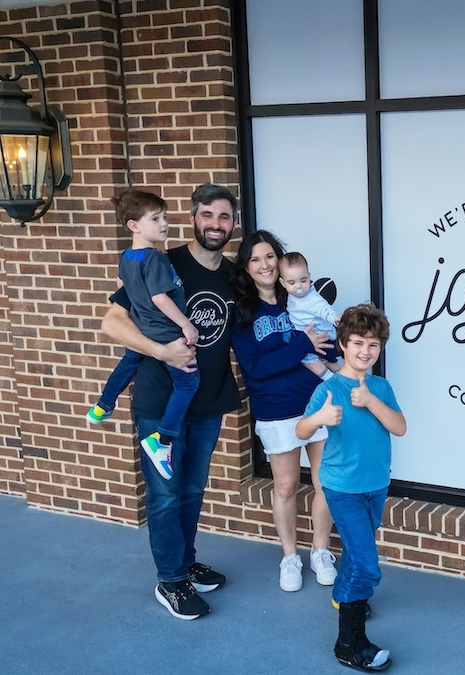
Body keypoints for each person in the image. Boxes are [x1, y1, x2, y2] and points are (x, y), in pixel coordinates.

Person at [100, 184, 321, 621]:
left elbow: (277, 309)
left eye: (224, 217)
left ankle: (184, 562)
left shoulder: (234, 278)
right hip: (161, 402)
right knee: (163, 495)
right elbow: (112, 321)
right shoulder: (164, 263)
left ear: (233, 224)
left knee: (191, 490)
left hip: (208, 400)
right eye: (207, 215)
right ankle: (171, 580)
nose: (215, 224)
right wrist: (162, 351)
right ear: (193, 218)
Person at [296, 303, 406, 672]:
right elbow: (301, 431)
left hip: (376, 485)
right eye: (357, 342)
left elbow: (400, 427)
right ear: (342, 344)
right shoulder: (330, 390)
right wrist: (320, 418)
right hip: (342, 488)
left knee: (358, 557)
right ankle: (349, 643)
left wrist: (371, 401)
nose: (365, 351)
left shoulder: (380, 387)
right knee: (366, 564)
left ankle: (345, 596)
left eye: (372, 344)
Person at [230, 230, 339, 593]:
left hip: (315, 401)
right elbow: (256, 368)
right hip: (276, 410)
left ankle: (320, 552)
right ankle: (290, 556)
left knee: (326, 482)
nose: (264, 265)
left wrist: (329, 350)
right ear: (246, 268)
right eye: (255, 259)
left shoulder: (300, 297)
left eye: (270, 257)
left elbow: (325, 339)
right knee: (287, 485)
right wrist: (302, 346)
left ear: (281, 260)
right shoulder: (243, 313)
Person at [87, 189, 200, 481]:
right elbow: (161, 299)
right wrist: (186, 324)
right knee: (189, 383)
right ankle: (162, 440)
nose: (164, 224)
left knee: (128, 364)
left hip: (141, 328)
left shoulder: (128, 256)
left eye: (164, 217)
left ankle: (102, 405)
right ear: (134, 226)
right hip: (164, 331)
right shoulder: (155, 259)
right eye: (156, 219)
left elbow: (123, 284)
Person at [280, 251, 342, 380]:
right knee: (327, 361)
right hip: (312, 333)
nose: (299, 287)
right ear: (282, 283)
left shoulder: (311, 298)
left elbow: (323, 309)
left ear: (309, 276)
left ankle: (330, 379)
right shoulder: (291, 295)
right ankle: (345, 377)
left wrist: (335, 318)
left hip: (320, 335)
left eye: (303, 280)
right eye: (292, 283)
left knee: (307, 357)